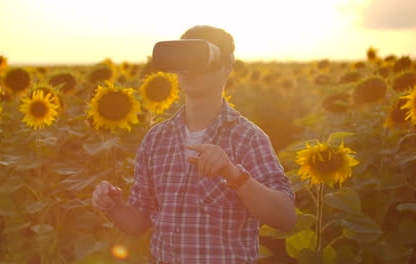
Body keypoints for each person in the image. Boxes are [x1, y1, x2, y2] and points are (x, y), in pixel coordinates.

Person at [92, 25, 296, 264]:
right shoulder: (156, 139)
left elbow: (285, 217)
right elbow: (138, 224)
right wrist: (114, 207)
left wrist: (234, 175)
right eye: (184, 59)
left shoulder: (248, 138)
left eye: (201, 59)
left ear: (227, 67)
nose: (190, 69)